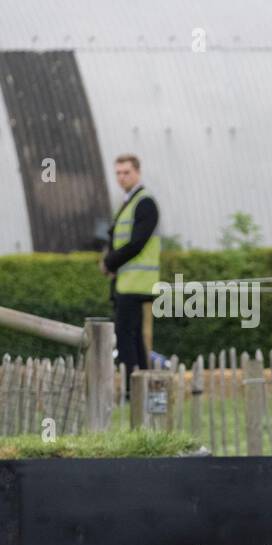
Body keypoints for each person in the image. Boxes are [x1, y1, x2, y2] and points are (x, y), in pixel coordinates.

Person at [101, 153, 160, 395]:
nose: (121, 177)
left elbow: (136, 243)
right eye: (118, 173)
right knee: (134, 338)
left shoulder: (144, 202)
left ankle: (129, 390)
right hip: (127, 282)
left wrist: (109, 262)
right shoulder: (129, 202)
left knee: (125, 337)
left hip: (137, 284)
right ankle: (141, 387)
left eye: (126, 172)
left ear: (137, 172)